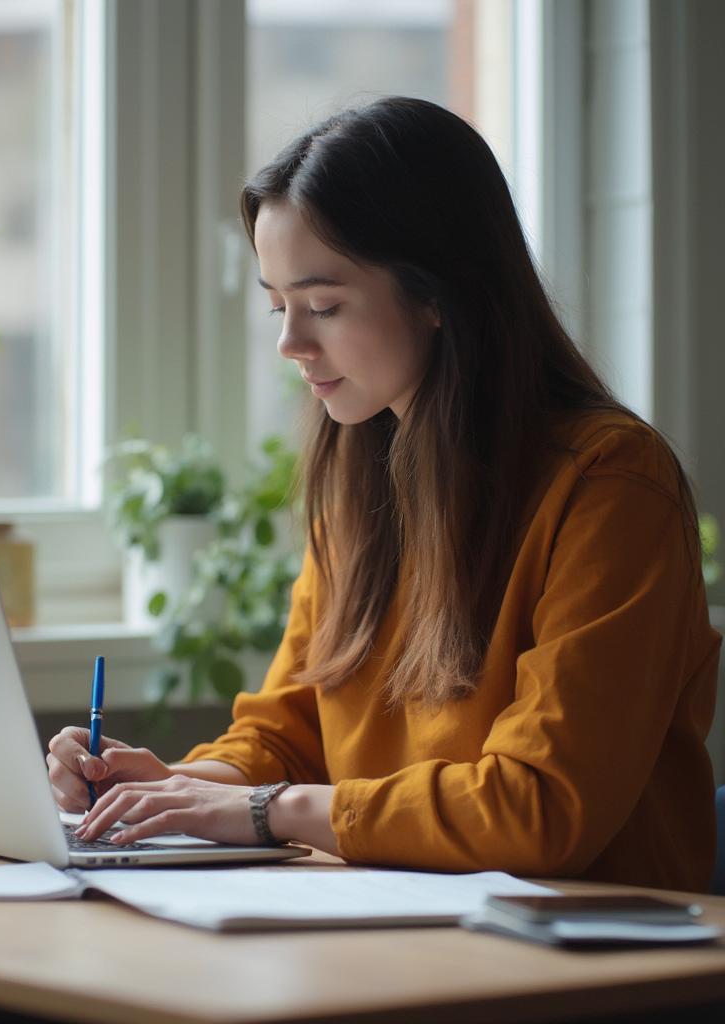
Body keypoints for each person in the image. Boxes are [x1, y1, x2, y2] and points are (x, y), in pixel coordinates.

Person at [47, 97, 721, 891]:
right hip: (405, 924)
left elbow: (539, 810)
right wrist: (173, 788)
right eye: (278, 306)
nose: (291, 344)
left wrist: (271, 811)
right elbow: (286, 733)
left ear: (438, 294)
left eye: (324, 306)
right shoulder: (361, 481)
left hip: (588, 958)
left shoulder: (612, 485)